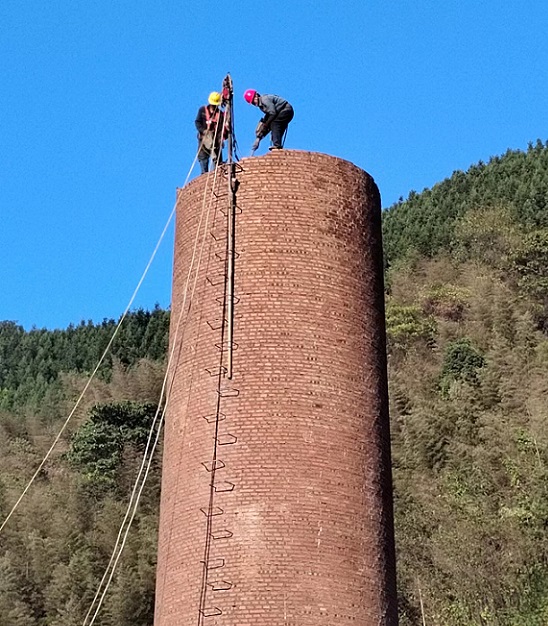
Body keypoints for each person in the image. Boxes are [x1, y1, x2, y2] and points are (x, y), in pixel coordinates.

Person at [195, 91, 226, 173]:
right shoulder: (203, 110)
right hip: (204, 140)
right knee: (203, 160)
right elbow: (197, 122)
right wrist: (203, 131)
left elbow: (220, 130)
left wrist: (220, 140)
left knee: (218, 166)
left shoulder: (220, 115)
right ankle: (205, 179)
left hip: (215, 143)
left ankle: (216, 174)